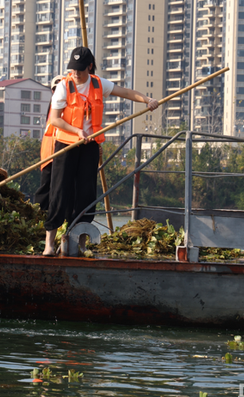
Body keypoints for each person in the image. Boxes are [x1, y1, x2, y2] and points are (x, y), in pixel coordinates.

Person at [43, 46, 158, 256]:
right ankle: (49, 242)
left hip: (89, 146)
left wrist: (147, 100)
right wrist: (76, 130)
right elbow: (55, 119)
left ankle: (78, 240)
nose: (76, 73)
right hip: (66, 146)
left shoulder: (97, 83)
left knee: (86, 194)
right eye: (73, 69)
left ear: (89, 66)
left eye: (80, 69)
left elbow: (125, 92)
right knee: (59, 192)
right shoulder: (64, 86)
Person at [34, 75, 64, 212]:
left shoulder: (65, 103)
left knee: (60, 186)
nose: (57, 91)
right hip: (49, 151)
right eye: (55, 88)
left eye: (60, 87)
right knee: (47, 184)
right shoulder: (55, 103)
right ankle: (40, 214)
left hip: (61, 151)